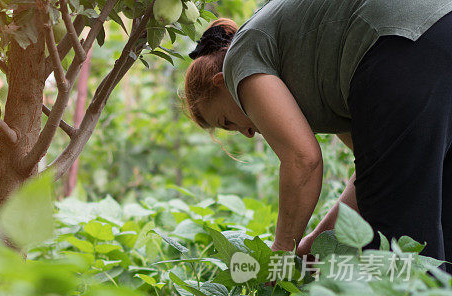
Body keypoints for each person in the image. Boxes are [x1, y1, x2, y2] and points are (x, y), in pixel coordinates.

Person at [182, 0, 452, 269]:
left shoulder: (237, 60)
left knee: (394, 243)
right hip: (438, 26)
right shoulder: (317, 71)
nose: (247, 133)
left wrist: (282, 253)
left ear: (222, 82)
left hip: (400, 43)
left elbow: (303, 160)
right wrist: (313, 246)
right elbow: (373, 174)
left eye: (227, 121)